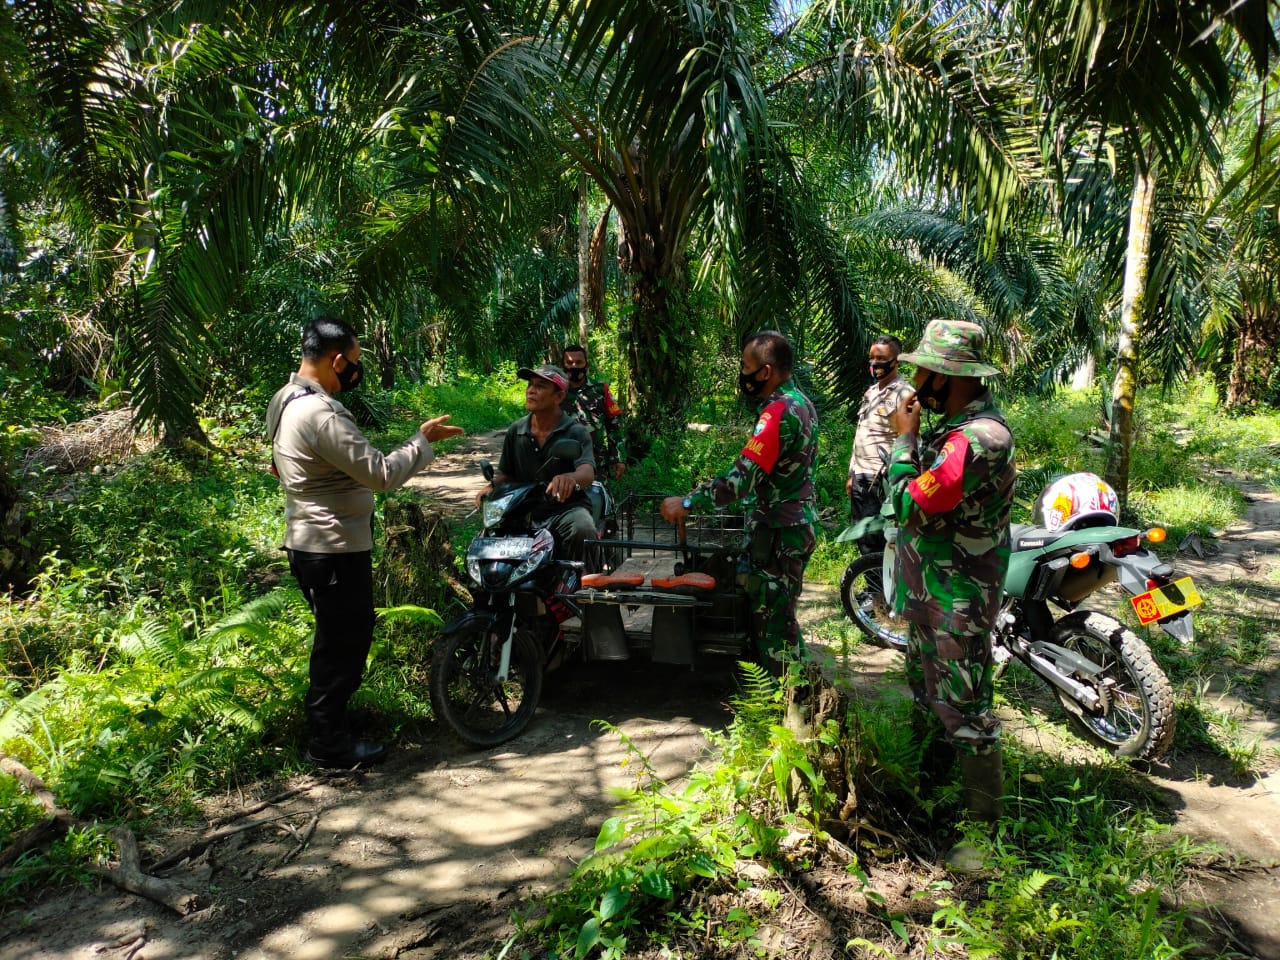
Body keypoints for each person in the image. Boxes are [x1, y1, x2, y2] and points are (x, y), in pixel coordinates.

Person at [267, 316, 464, 769]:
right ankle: (329, 743)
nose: (356, 371)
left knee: (337, 638)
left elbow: (279, 466)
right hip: (333, 547)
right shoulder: (321, 414)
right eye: (354, 362)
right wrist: (421, 441)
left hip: (306, 539)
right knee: (343, 644)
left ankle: (332, 727)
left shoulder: (284, 399)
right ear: (337, 360)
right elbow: (380, 474)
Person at [887, 318, 1016, 847]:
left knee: (966, 714)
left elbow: (908, 504)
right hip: (934, 594)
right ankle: (936, 802)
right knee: (932, 699)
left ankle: (983, 838)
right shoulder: (958, 432)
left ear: (949, 377)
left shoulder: (978, 439)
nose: (916, 382)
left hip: (955, 599)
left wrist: (905, 442)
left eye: (925, 372)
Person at [660, 331, 818, 674]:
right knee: (777, 616)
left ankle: (789, 704)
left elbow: (739, 481)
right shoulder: (801, 403)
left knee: (776, 625)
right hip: (789, 526)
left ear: (765, 371)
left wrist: (686, 503)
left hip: (779, 532)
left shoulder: (777, 413)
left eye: (746, 366)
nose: (742, 374)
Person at [474, 364, 597, 561]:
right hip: (523, 510)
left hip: (564, 510)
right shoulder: (517, 430)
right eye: (530, 385)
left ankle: (586, 586)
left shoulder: (575, 431)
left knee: (582, 529)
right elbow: (507, 474)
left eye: (540, 386)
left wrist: (569, 478)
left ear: (558, 397)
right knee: (490, 543)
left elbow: (587, 473)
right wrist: (491, 486)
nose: (531, 390)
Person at [846, 335, 914, 555]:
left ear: (896, 361)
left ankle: (878, 587)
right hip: (860, 475)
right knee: (862, 534)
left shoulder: (904, 394)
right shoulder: (872, 392)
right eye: (872, 357)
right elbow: (862, 433)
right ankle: (871, 585)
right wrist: (851, 473)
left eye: (881, 358)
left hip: (879, 478)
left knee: (876, 536)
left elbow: (907, 438)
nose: (875, 363)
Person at [561, 344, 628, 480]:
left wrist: (618, 458)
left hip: (595, 464)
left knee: (597, 499)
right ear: (562, 365)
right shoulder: (555, 392)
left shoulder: (600, 390)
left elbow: (614, 426)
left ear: (587, 365)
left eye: (579, 362)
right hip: (561, 464)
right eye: (569, 362)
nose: (574, 366)